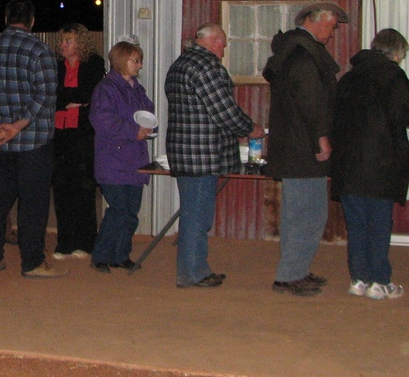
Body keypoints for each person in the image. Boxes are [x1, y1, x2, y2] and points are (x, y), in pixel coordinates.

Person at [0, 0, 61, 278]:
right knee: (33, 202)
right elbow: (44, 96)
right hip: (32, 142)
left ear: (7, 18)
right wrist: (16, 126)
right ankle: (32, 262)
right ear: (32, 21)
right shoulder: (40, 51)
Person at [164, 24, 262, 288]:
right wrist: (251, 128)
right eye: (224, 44)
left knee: (192, 213)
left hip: (183, 151)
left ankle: (196, 269)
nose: (224, 50)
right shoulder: (207, 66)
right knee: (197, 216)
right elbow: (224, 111)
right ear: (215, 41)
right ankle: (192, 273)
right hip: (202, 153)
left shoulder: (180, 63)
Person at [261, 1, 347, 296]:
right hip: (303, 147)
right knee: (307, 213)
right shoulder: (303, 53)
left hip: (295, 145)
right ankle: (289, 275)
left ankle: (296, 270)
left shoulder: (293, 49)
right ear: (316, 20)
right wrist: (320, 136)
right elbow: (311, 99)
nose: (333, 32)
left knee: (305, 212)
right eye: (333, 25)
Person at [330, 29, 409, 299]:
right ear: (396, 52)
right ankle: (380, 281)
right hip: (381, 162)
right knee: (379, 223)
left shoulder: (348, 78)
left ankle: (358, 278)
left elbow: (335, 118)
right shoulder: (393, 75)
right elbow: (402, 113)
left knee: (356, 224)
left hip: (348, 163)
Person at [89, 40, 154, 273]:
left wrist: (146, 126)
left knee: (131, 213)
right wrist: (132, 131)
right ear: (121, 60)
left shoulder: (136, 88)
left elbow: (148, 112)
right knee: (118, 210)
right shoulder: (105, 90)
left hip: (135, 160)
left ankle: (120, 254)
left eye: (139, 60)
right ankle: (101, 255)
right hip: (113, 161)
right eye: (135, 60)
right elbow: (103, 122)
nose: (140, 65)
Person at [51, 23, 105, 260]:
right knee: (61, 187)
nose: (63, 45)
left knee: (83, 187)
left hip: (82, 134)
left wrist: (74, 100)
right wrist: (71, 100)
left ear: (80, 42)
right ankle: (64, 241)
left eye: (68, 41)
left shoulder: (94, 63)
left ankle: (85, 241)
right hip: (58, 134)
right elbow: (52, 96)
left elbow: (89, 93)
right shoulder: (55, 66)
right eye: (62, 41)